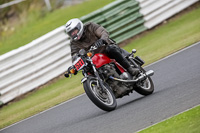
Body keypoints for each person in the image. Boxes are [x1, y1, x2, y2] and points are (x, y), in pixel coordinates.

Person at [65, 18, 139, 76]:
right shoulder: (73, 43)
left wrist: (102, 40)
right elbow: (74, 55)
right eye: (71, 33)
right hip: (93, 58)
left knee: (111, 49)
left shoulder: (90, 26)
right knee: (86, 69)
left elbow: (103, 32)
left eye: (75, 31)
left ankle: (130, 69)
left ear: (79, 27)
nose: (74, 34)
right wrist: (74, 66)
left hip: (105, 49)